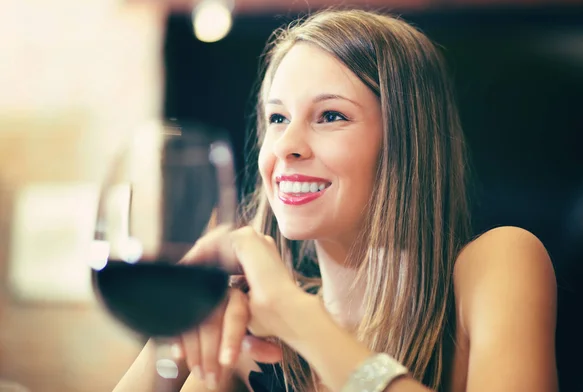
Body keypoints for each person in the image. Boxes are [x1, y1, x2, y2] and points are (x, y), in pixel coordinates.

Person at [115, 9, 558, 392]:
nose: (286, 144)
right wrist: (178, 320)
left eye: (330, 116)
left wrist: (295, 314)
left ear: (407, 142)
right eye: (277, 117)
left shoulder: (498, 266)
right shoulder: (252, 343)